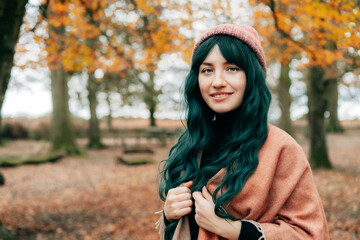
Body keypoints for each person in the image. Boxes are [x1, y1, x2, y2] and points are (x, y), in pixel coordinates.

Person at [156, 23, 329, 240]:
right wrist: (169, 214)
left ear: (251, 77)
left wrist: (231, 229)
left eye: (232, 68)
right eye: (207, 70)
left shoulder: (281, 148)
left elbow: (310, 233)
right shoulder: (191, 144)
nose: (217, 82)